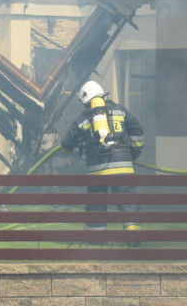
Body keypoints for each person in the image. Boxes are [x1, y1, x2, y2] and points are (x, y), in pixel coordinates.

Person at [60, 79, 145, 244]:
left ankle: (97, 240)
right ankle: (133, 235)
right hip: (123, 168)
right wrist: (133, 152)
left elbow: (66, 144)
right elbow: (138, 131)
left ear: (85, 101)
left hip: (97, 171)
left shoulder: (82, 120)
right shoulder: (121, 111)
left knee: (97, 204)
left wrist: (69, 150)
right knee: (128, 202)